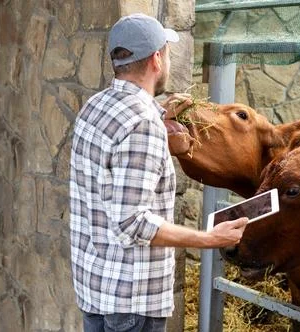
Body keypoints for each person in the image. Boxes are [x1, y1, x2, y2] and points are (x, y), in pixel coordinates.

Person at [69, 13, 248, 332]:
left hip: (95, 288)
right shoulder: (143, 125)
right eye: (166, 51)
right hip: (132, 304)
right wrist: (209, 238)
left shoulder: (95, 106)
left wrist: (160, 115)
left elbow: (113, 168)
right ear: (156, 59)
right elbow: (132, 223)